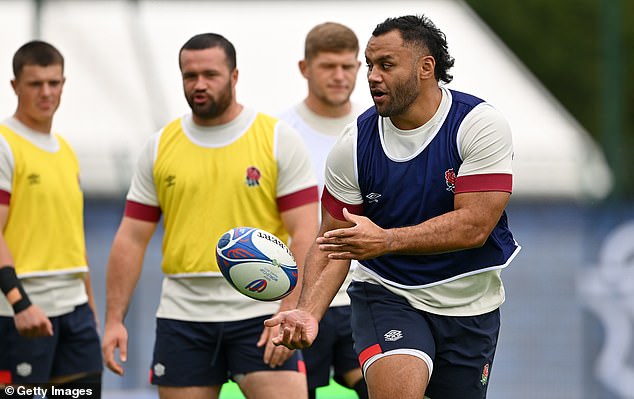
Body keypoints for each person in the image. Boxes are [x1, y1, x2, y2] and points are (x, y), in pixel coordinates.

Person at [266, 14, 521, 399]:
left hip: (470, 303)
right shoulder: (353, 145)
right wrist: (307, 310)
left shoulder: (478, 125)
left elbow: (474, 227)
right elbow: (333, 241)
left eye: (386, 65)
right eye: (369, 65)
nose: (371, 76)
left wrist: (385, 240)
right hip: (387, 295)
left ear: (425, 68)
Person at [101, 33, 318, 399]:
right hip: (183, 315)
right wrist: (113, 320)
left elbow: (305, 231)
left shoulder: (277, 138)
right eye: (190, 75)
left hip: (261, 312)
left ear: (234, 76)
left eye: (210, 75)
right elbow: (131, 238)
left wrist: (289, 309)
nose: (199, 84)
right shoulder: (159, 146)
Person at [0, 41, 103, 393]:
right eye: (35, 83)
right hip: (20, 314)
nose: (46, 92)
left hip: (75, 313)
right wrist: (20, 304)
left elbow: (71, 234)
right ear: (15, 86)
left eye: (54, 82)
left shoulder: (67, 151)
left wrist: (89, 308)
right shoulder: (4, 143)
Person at [278, 22, 368, 399]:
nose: (339, 76)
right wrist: (289, 300)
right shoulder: (279, 133)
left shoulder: (375, 129)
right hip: (299, 299)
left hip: (364, 296)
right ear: (305, 68)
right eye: (329, 66)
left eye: (348, 67)